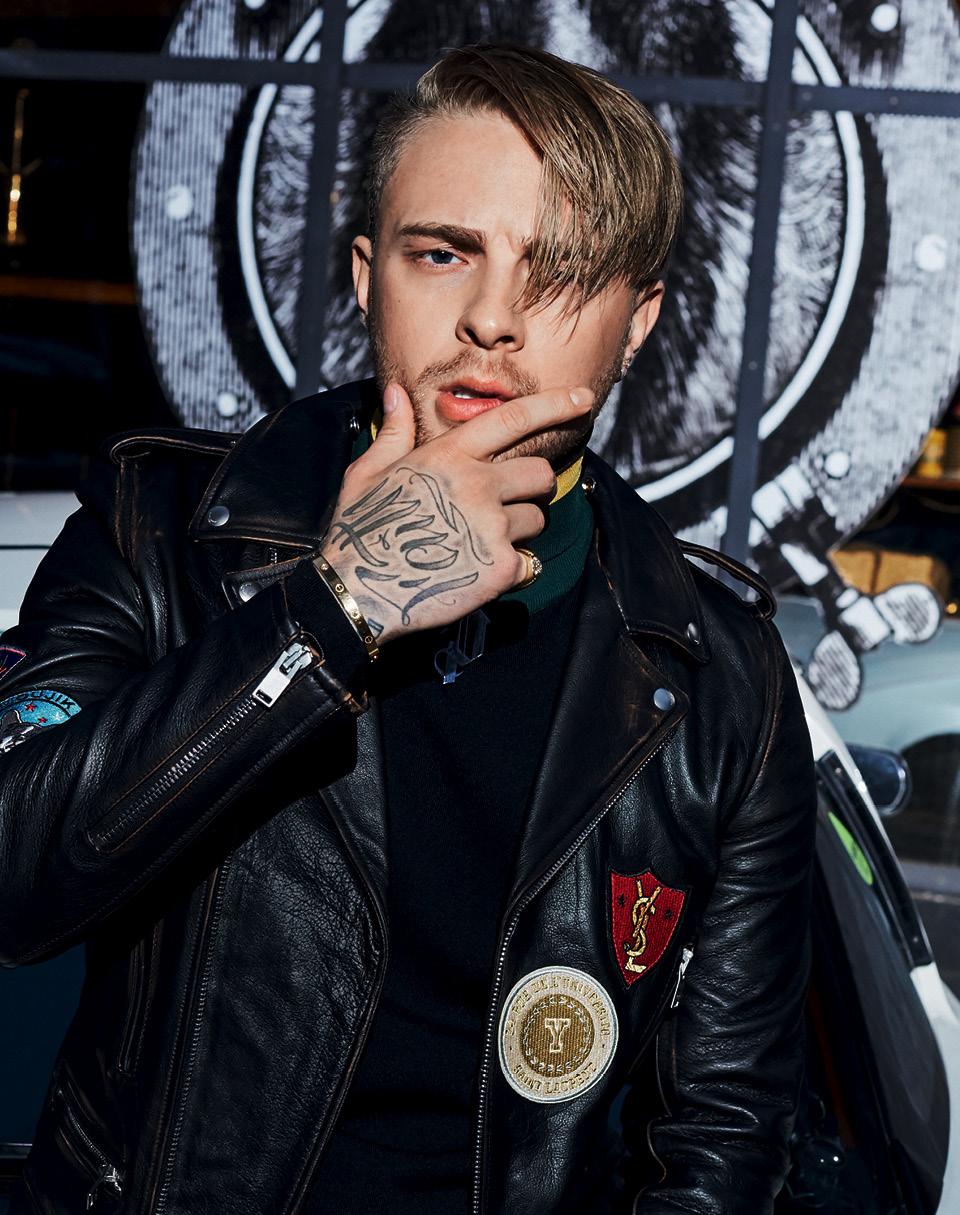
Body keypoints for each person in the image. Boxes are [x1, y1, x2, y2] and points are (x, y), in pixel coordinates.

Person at [0, 43, 816, 1215]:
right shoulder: (166, 528)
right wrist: (339, 609)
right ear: (366, 274)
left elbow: (724, 1133)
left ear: (637, 323)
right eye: (443, 254)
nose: (490, 319)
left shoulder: (718, 671)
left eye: (559, 272)